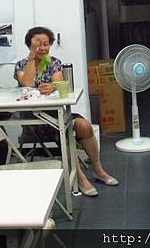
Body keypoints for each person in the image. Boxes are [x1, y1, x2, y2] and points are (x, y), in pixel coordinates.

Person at [15, 26, 119, 197]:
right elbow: (26, 82)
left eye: (46, 44)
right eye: (37, 44)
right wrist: (32, 59)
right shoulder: (21, 64)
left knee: (84, 126)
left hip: (57, 113)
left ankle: (98, 170)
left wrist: (51, 87)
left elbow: (58, 82)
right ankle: (80, 178)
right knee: (65, 133)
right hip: (35, 119)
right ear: (29, 46)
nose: (42, 48)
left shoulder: (54, 62)